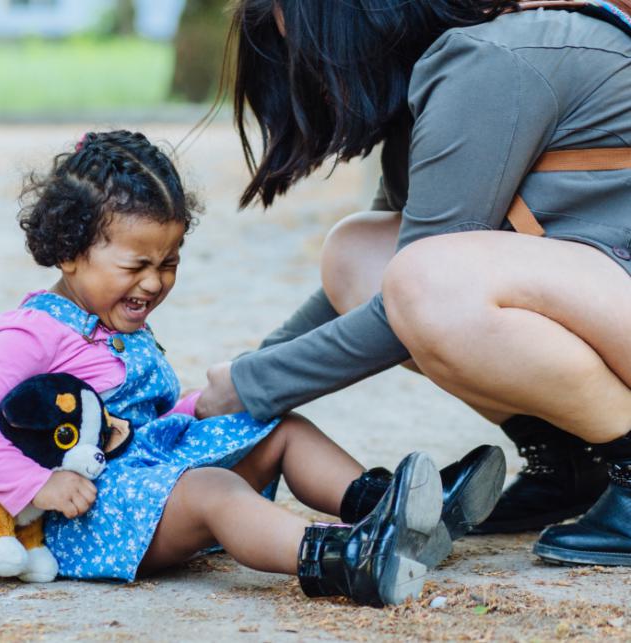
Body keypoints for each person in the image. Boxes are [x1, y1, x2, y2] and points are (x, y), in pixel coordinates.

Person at [0, 130, 505, 606]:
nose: (154, 282)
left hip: (148, 480)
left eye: (169, 262)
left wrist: (194, 412)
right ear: (70, 252)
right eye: (137, 265)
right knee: (215, 489)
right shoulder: (36, 331)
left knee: (278, 426)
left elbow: (137, 420)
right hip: (89, 518)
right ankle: (343, 559)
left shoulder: (109, 318)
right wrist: (37, 483)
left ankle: (392, 509)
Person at [197, 0, 631, 565]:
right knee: (358, 252)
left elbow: (415, 301)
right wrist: (237, 387)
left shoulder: (486, 63)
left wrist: (254, 385)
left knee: (432, 283)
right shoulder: (437, 82)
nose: (306, 74)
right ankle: (572, 459)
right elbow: (364, 286)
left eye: (305, 50)